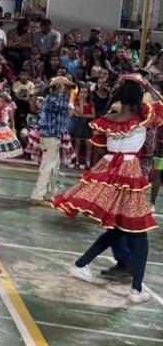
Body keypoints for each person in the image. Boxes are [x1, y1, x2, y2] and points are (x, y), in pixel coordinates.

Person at [55, 78, 163, 303]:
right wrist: (149, 87)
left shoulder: (107, 119)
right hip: (128, 173)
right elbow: (160, 104)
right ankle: (136, 291)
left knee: (118, 229)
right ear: (138, 98)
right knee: (139, 233)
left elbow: (104, 145)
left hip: (109, 170)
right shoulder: (142, 118)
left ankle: (81, 264)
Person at [29, 75, 71, 205]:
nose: (67, 89)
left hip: (52, 135)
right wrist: (63, 91)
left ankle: (48, 193)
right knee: (48, 165)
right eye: (64, 86)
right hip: (50, 136)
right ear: (58, 86)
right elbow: (63, 105)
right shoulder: (53, 100)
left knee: (53, 165)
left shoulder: (52, 98)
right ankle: (38, 195)